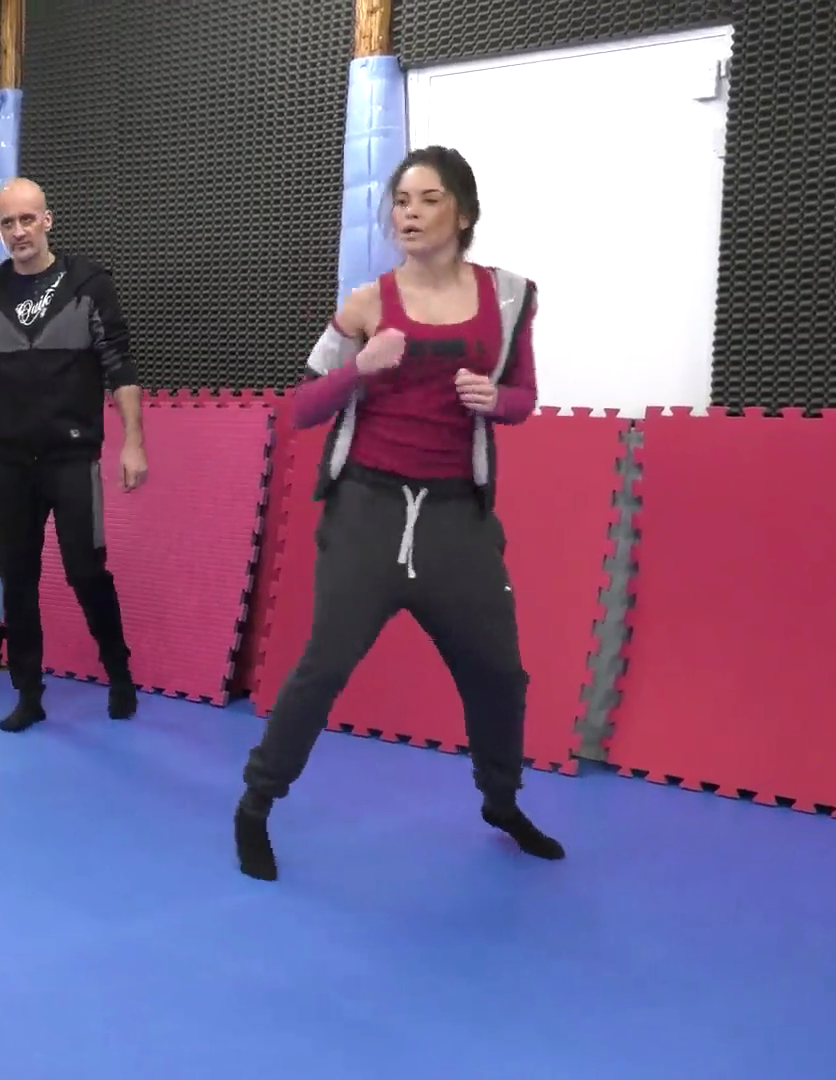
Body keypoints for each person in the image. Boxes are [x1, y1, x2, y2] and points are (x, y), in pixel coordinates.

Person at [232, 146, 567, 882]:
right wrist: (360, 367)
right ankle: (255, 805)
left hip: (457, 518)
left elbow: (523, 398)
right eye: (401, 201)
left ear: (464, 212)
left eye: (428, 199)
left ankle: (501, 802)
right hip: (368, 509)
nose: (409, 214)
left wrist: (497, 400)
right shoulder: (366, 303)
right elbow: (301, 408)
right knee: (324, 666)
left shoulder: (511, 297)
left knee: (500, 673)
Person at [0, 177, 147, 734]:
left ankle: (119, 673)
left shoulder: (88, 283)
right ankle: (28, 694)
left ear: (47, 220)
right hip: (9, 459)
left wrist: (134, 442)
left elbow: (119, 366)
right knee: (16, 578)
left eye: (27, 219)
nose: (19, 231)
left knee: (86, 570)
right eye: (7, 223)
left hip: (72, 457)